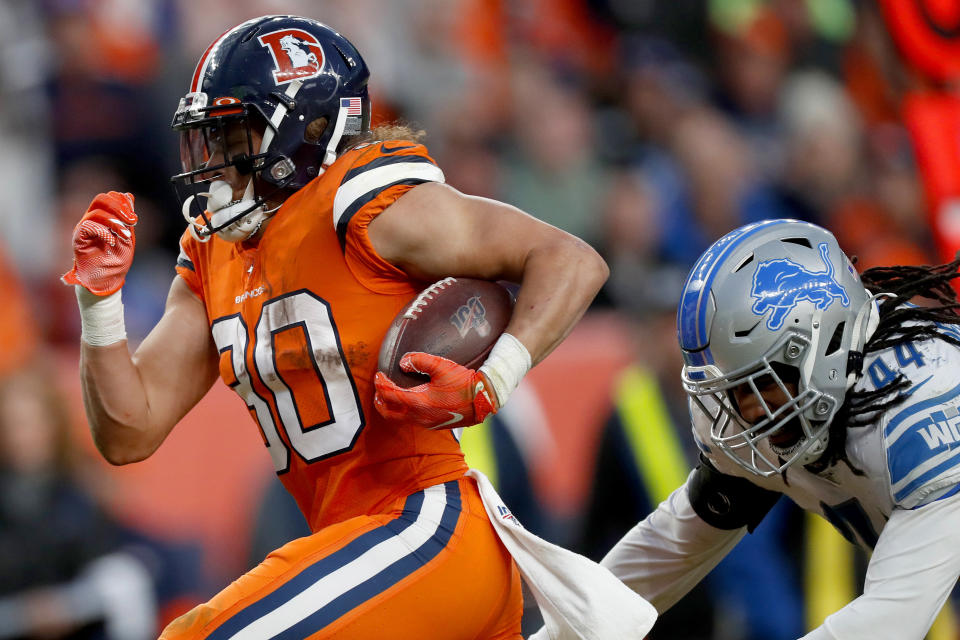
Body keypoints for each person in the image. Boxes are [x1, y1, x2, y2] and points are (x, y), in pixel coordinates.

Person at [60, 14, 628, 640]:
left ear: (302, 128)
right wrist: (100, 305)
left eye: (231, 135)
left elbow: (570, 260)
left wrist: (493, 378)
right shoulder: (212, 253)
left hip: (428, 530)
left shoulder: (360, 201)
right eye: (207, 138)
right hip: (359, 554)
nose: (214, 160)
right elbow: (128, 431)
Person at [598, 218, 960, 639]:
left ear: (827, 346)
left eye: (763, 383)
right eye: (734, 392)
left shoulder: (926, 407)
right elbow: (674, 544)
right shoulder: (791, 405)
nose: (749, 413)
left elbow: (887, 623)